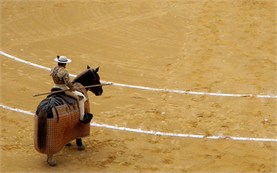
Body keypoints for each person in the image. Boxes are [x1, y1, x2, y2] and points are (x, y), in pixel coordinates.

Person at [50, 55, 92, 123]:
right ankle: (82, 117)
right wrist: (72, 88)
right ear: (64, 63)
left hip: (54, 87)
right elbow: (67, 83)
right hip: (63, 89)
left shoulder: (53, 69)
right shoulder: (64, 71)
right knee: (80, 97)